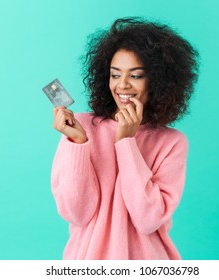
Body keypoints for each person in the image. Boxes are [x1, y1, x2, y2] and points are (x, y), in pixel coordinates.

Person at [51, 17, 199, 260]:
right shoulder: (82, 126)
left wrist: (127, 142)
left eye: (136, 75)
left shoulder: (172, 142)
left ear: (158, 81)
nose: (123, 85)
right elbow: (76, 213)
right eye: (115, 74)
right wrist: (78, 144)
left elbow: (148, 219)